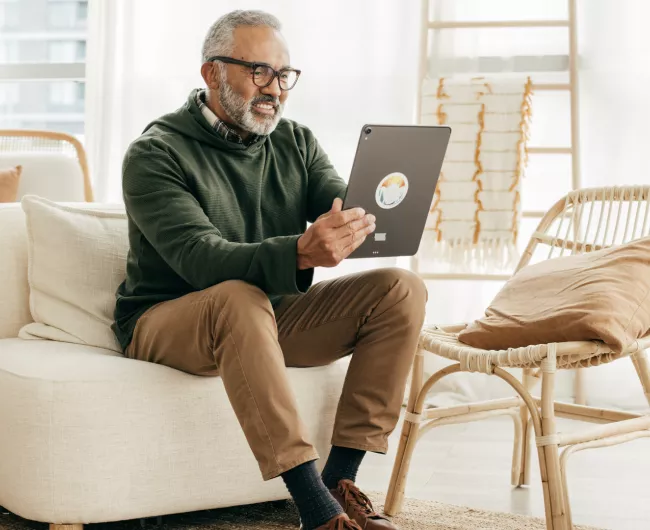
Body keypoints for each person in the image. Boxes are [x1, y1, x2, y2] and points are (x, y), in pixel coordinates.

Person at [112, 9, 427, 530]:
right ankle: (315, 511)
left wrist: (380, 203)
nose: (275, 89)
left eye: (284, 75)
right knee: (238, 295)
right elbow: (201, 258)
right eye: (258, 71)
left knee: (399, 289)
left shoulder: (293, 141)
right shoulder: (155, 152)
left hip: (266, 317)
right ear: (211, 73)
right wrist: (301, 253)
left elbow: (338, 199)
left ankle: (338, 483)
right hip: (165, 320)